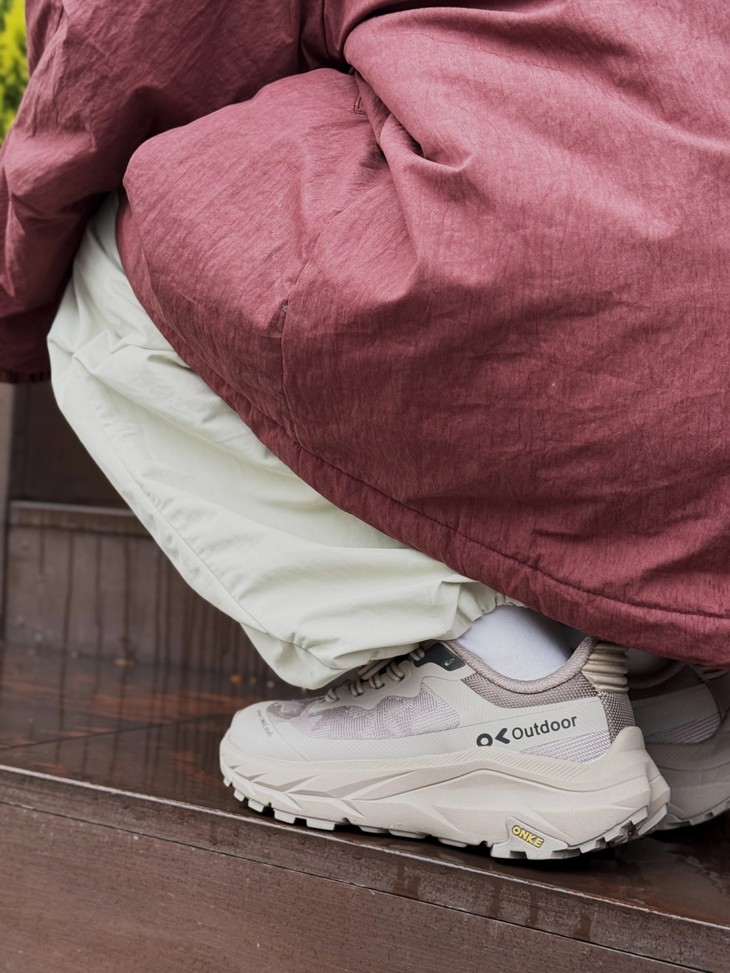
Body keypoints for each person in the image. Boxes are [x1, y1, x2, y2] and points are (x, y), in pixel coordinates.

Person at [1, 0, 729, 859]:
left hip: (548, 272)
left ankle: (513, 695)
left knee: (114, 225)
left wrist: (12, 303)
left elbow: (114, 58)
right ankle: (657, 683)